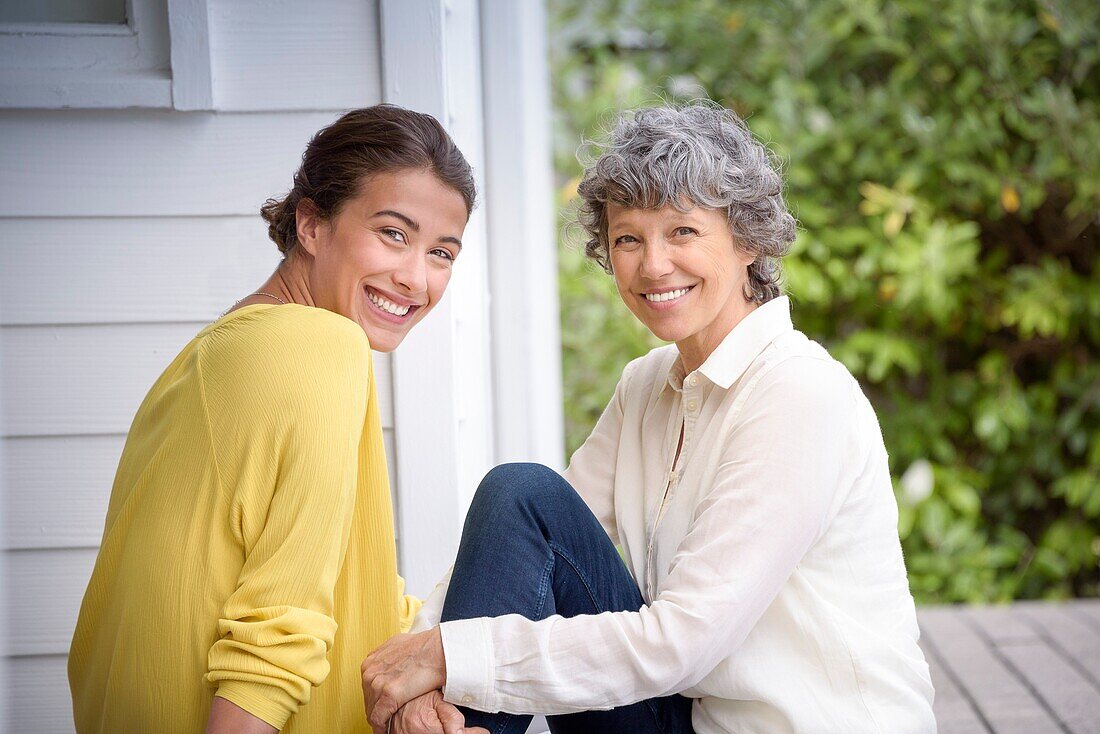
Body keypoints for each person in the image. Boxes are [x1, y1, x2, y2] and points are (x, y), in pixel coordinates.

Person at [361, 103, 937, 734]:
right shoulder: (648, 386)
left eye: (682, 232)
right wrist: (422, 670)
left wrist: (449, 658)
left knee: (515, 519)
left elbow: (681, 642)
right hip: (686, 719)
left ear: (748, 239)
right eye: (628, 238)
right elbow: (520, 547)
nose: (653, 264)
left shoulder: (800, 394)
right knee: (520, 495)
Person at [69, 105, 488, 734]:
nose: (415, 279)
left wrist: (422, 672)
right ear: (312, 223)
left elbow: (332, 581)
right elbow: (276, 629)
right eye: (393, 233)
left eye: (441, 253)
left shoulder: (225, 346)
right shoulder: (321, 347)